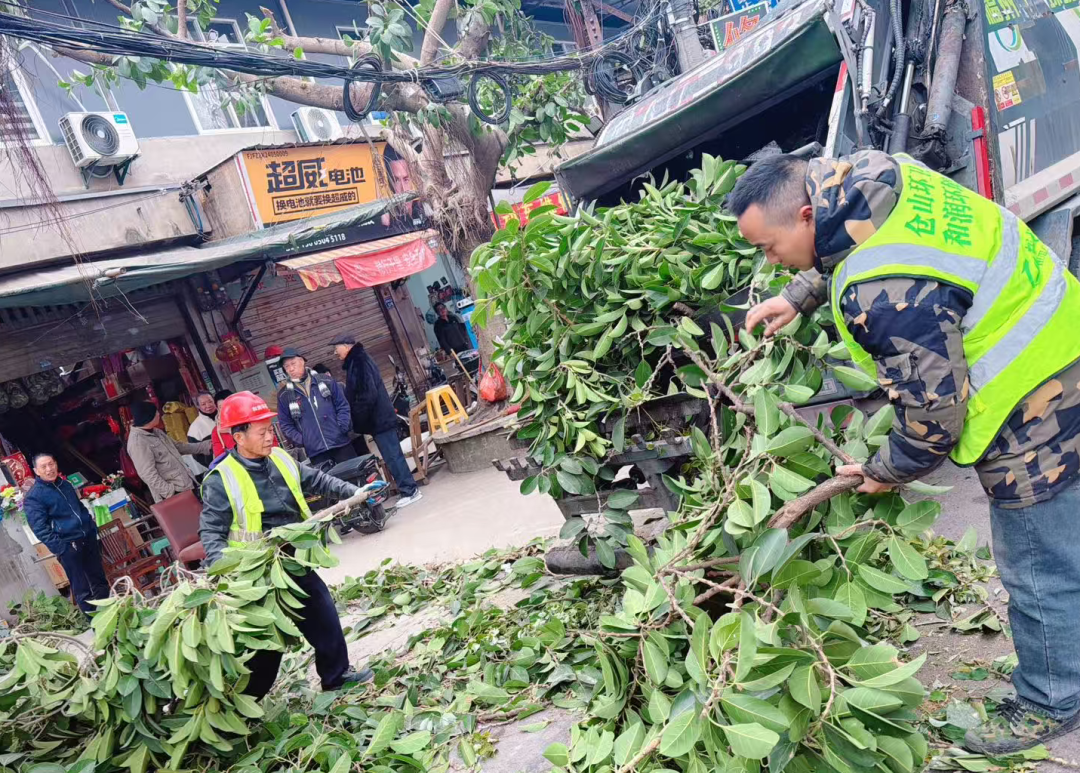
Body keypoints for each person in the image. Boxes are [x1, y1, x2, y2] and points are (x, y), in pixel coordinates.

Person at [729, 150, 1080, 755]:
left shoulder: (881, 293)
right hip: (1060, 330)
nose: (769, 258)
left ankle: (1051, 700)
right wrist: (802, 292)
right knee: (1066, 526)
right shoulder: (873, 172)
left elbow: (934, 415)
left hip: (1032, 398)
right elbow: (866, 239)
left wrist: (884, 471)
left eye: (769, 246)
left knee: (1036, 560)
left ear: (807, 213)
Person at [199, 391, 374, 695]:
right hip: (256, 572)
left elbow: (318, 481)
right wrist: (224, 572)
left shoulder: (280, 458)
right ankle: (247, 704)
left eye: (271, 428)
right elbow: (211, 533)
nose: (270, 436)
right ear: (238, 437)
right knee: (267, 646)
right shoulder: (221, 479)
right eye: (262, 431)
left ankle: (335, 677)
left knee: (323, 615)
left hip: (292, 556)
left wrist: (355, 493)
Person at [331, 335, 423, 508]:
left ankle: (410, 490)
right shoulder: (356, 361)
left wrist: (358, 416)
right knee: (391, 456)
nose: (335, 352)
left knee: (393, 456)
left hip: (379, 419)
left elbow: (368, 394)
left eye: (337, 348)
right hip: (377, 420)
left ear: (347, 346)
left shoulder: (359, 362)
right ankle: (407, 489)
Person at [23, 453, 109, 615]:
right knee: (82, 588)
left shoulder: (66, 485)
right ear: (36, 471)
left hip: (87, 539)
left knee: (99, 581)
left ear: (56, 464)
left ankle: (108, 614)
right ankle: (96, 624)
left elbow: (80, 508)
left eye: (51, 464)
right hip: (68, 546)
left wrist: (90, 526)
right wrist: (62, 548)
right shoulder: (34, 497)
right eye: (44, 466)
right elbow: (40, 529)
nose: (49, 469)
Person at [276, 348, 355, 467]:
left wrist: (342, 427)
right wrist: (304, 440)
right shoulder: (284, 395)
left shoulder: (326, 381)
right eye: (286, 367)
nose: (291, 369)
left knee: (355, 478)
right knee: (330, 484)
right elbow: (285, 424)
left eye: (293, 363)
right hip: (316, 451)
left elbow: (342, 405)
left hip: (340, 443)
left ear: (302, 361)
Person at [127, 401, 211, 502]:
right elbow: (148, 474)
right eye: (156, 412)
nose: (159, 414)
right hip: (175, 495)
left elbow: (178, 447)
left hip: (186, 484)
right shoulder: (138, 442)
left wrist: (206, 446)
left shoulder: (156, 431)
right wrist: (170, 492)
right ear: (148, 417)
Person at [210, 390, 236, 459]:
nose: (225, 410)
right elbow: (220, 457)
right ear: (217, 409)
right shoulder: (217, 431)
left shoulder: (248, 418)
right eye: (221, 407)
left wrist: (231, 431)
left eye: (227, 405)